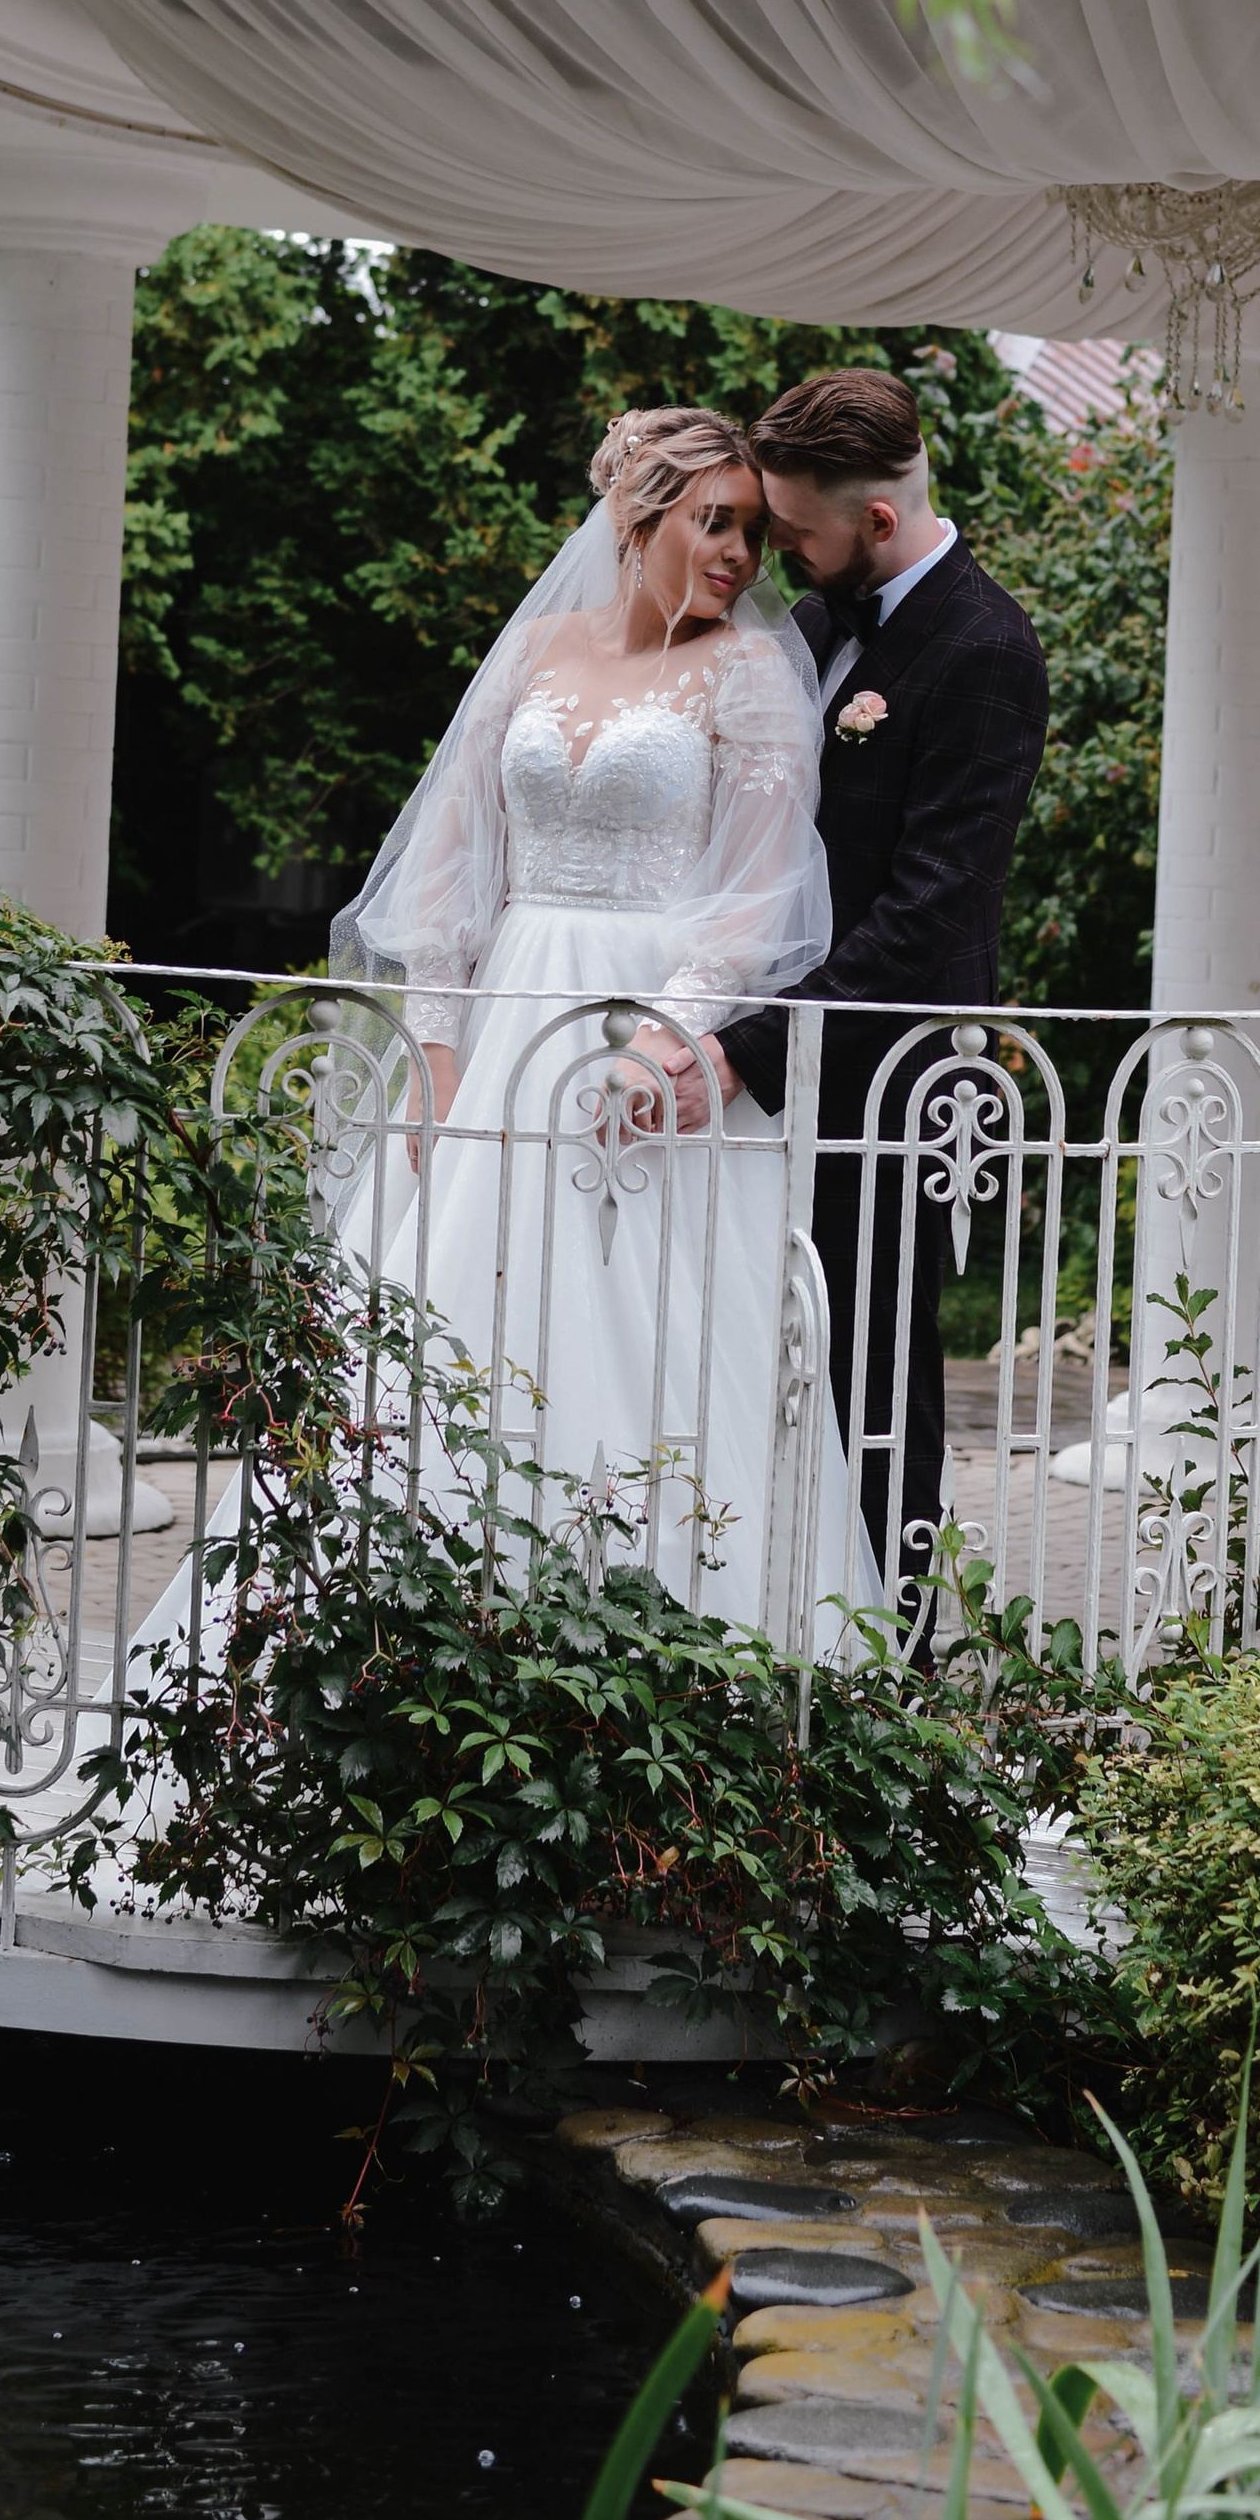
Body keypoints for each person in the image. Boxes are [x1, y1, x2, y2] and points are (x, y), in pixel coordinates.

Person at [317, 405, 839, 1635]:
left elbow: (754, 899)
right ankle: (419, 1621)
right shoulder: (537, 650)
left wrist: (663, 1046)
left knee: (639, 1324)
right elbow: (447, 874)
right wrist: (436, 1057)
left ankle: (651, 1621)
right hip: (503, 1023)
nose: (739, 558)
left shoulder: (754, 673)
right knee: (454, 1305)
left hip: (644, 1034)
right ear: (633, 517)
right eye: (715, 523)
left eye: (754, 533)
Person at [664, 369, 1049, 1618]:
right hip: (772, 1061)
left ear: (873, 522)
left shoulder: (985, 648)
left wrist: (746, 1049)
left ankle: (892, 1657)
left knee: (878, 1381)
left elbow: (931, 909)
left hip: (890, 1086)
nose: (777, 550)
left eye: (795, 529)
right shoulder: (823, 626)